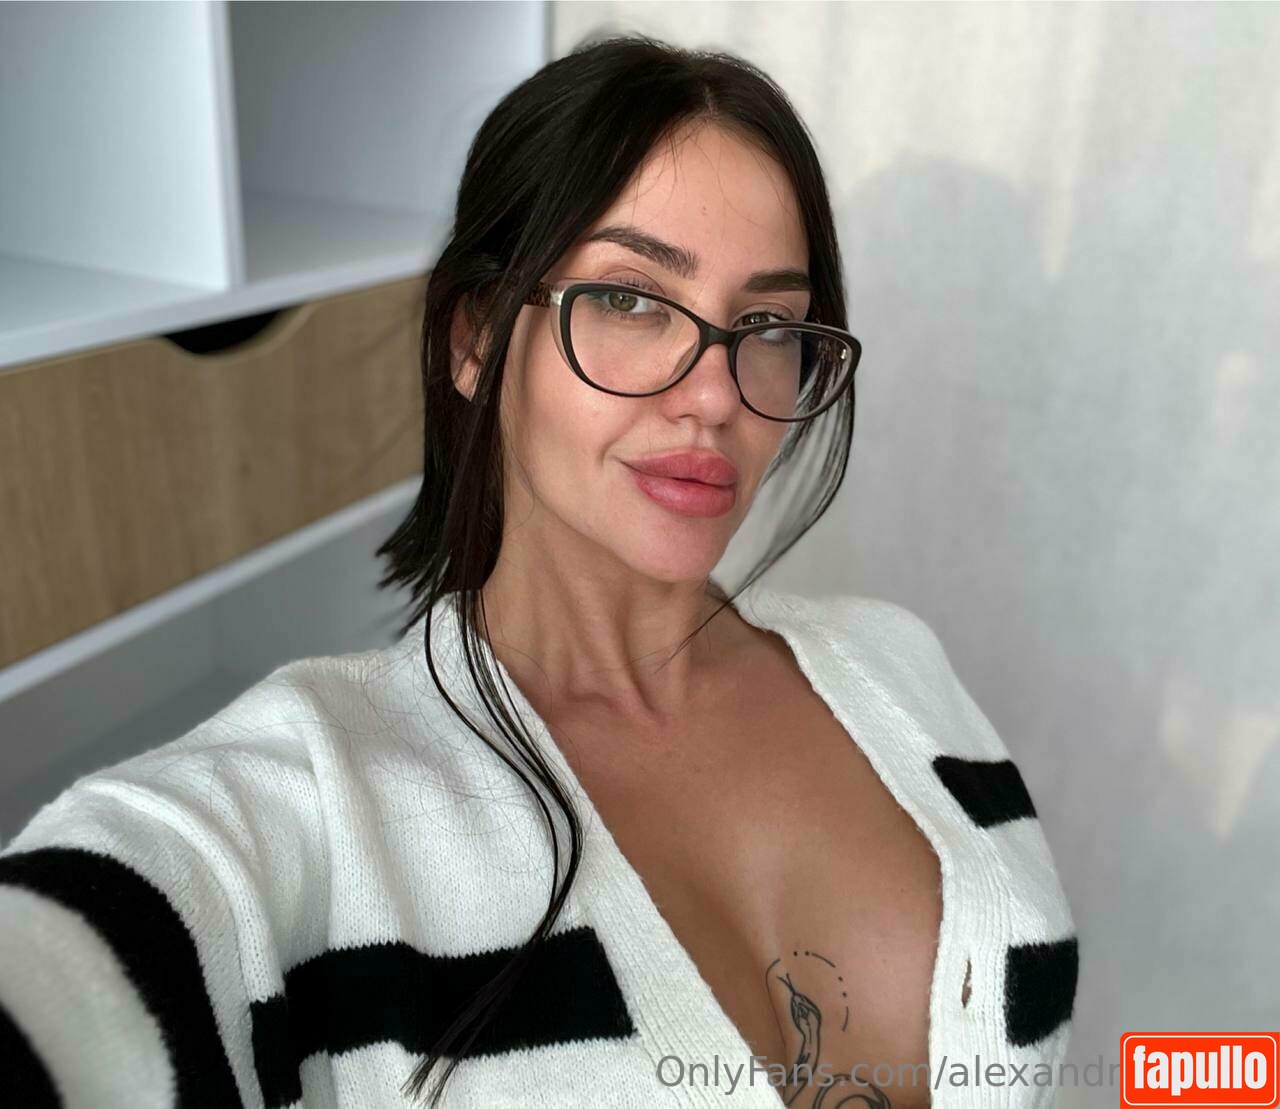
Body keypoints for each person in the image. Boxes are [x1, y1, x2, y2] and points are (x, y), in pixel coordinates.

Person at [0, 34, 1077, 1109]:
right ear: (474, 338)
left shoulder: (897, 665)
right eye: (630, 299)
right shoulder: (313, 800)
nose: (713, 395)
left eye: (766, 323)